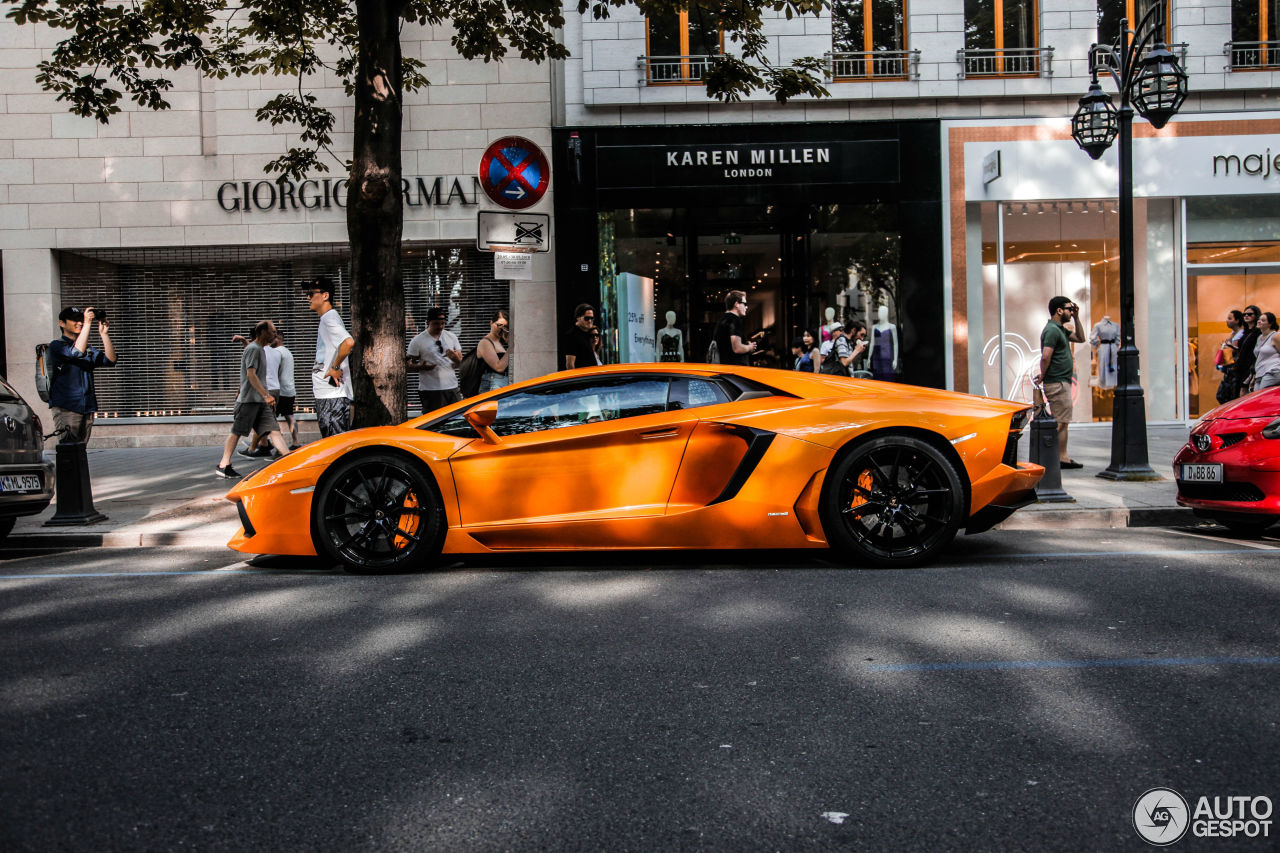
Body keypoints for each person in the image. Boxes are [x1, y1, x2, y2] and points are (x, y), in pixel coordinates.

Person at [216, 320, 291, 478]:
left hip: (260, 402)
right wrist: (266, 395)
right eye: (273, 332)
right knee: (237, 432)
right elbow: (250, 374)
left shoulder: (259, 348)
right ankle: (224, 464)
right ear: (263, 332)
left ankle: (289, 462)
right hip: (249, 401)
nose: (275, 335)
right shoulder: (254, 349)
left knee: (274, 430)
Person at [48, 305, 118, 444]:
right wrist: (87, 323)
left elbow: (110, 361)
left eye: (81, 320)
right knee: (69, 452)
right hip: (67, 407)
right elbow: (76, 352)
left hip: (87, 407)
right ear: (62, 323)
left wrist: (104, 334)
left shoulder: (88, 349)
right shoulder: (57, 346)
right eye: (74, 320)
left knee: (80, 453)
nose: (79, 323)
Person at [1038, 296, 1087, 470]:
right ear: (1059, 310)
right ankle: (1052, 458)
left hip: (1061, 382)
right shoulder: (1052, 330)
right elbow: (1045, 356)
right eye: (1069, 309)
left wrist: (1077, 318)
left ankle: (1062, 457)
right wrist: (1043, 375)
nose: (1071, 311)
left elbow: (1081, 338)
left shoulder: (1060, 330)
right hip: (1057, 383)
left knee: (1063, 421)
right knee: (1060, 422)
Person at [302, 277, 354, 438]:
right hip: (329, 395)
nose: (308, 298)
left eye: (311, 294)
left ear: (325, 296)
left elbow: (348, 342)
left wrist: (335, 367)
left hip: (332, 396)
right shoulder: (327, 318)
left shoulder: (329, 317)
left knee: (335, 446)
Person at [408, 306, 463, 413]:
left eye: (442, 323)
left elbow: (460, 363)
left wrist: (455, 359)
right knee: (434, 423)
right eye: (436, 323)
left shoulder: (451, 337)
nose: (440, 326)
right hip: (430, 390)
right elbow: (408, 365)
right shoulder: (417, 340)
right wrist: (420, 367)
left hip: (452, 387)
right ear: (428, 322)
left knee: (457, 419)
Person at [712, 290, 757, 366]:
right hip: (736, 371)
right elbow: (737, 348)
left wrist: (745, 345)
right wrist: (750, 347)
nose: (746, 307)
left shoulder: (722, 320)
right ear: (736, 304)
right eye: (744, 303)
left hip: (724, 368)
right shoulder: (735, 320)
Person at [477, 309, 512, 393]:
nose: (501, 329)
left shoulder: (500, 342)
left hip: (503, 382)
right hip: (494, 384)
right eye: (499, 325)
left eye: (505, 327)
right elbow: (499, 367)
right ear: (491, 323)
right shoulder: (485, 342)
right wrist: (511, 347)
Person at [1216, 309, 1245, 404]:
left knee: (1228, 396)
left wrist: (1227, 347)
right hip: (1229, 368)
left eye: (1230, 318)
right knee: (1223, 395)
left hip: (1234, 370)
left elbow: (1234, 351)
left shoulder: (1240, 334)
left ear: (1237, 320)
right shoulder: (1233, 334)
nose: (1227, 321)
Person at [1234, 305, 1262, 397]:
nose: (1246, 316)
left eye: (1249, 314)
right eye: (1244, 314)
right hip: (1241, 367)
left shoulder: (1258, 333)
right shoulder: (1245, 332)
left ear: (1256, 316)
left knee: (1245, 394)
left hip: (1250, 367)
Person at [1251, 311, 1280, 391]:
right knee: (1256, 398)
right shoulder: (1259, 337)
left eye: (1263, 320)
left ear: (1270, 324)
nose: (1259, 321)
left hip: (1273, 371)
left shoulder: (1276, 336)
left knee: (1262, 396)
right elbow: (1260, 358)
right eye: (1259, 319)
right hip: (1260, 373)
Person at [564, 303, 597, 370]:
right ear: (578, 318)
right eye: (586, 318)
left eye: (592, 318)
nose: (590, 321)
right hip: (582, 378)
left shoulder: (587, 333)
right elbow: (570, 364)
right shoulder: (572, 335)